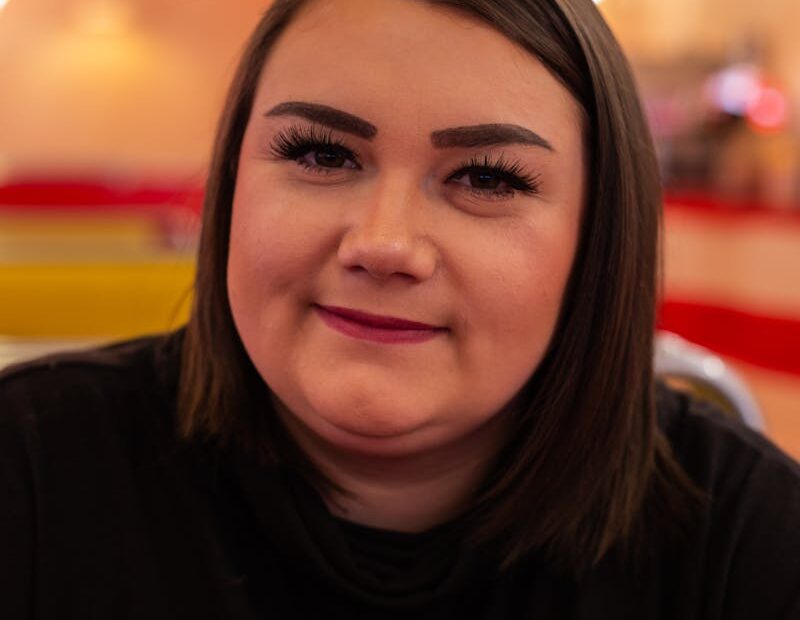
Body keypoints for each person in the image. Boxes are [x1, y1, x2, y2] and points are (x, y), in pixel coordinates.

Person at [1, 0, 799, 618]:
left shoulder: (750, 540)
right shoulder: (30, 472)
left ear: (599, 237)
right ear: (232, 187)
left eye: (486, 178)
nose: (383, 245)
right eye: (322, 154)